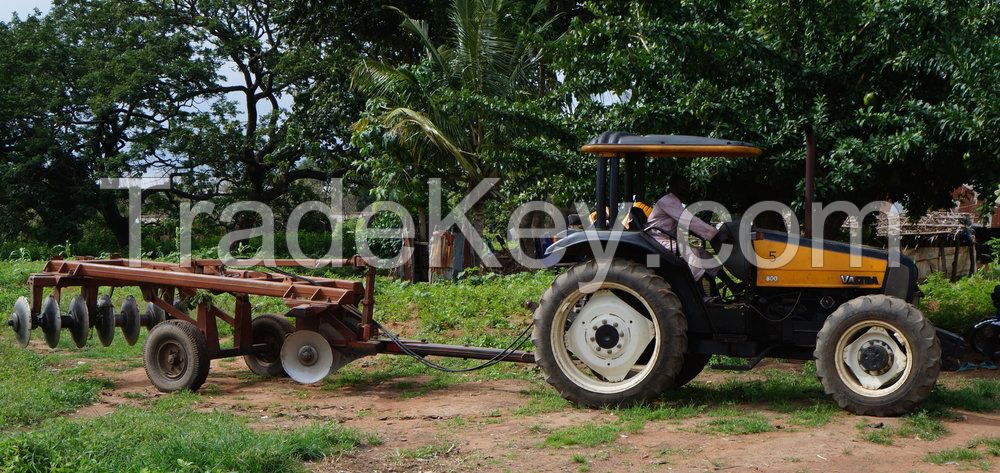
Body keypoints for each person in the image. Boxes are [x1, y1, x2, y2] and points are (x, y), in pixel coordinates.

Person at [645, 176, 720, 280]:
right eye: (683, 186)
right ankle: (695, 287)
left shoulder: (676, 203)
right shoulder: (668, 201)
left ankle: (730, 284)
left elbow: (685, 225)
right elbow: (689, 221)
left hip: (668, 238)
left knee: (704, 254)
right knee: (692, 251)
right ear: (673, 187)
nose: (686, 189)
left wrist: (704, 233)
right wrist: (714, 234)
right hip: (659, 240)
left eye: (687, 186)